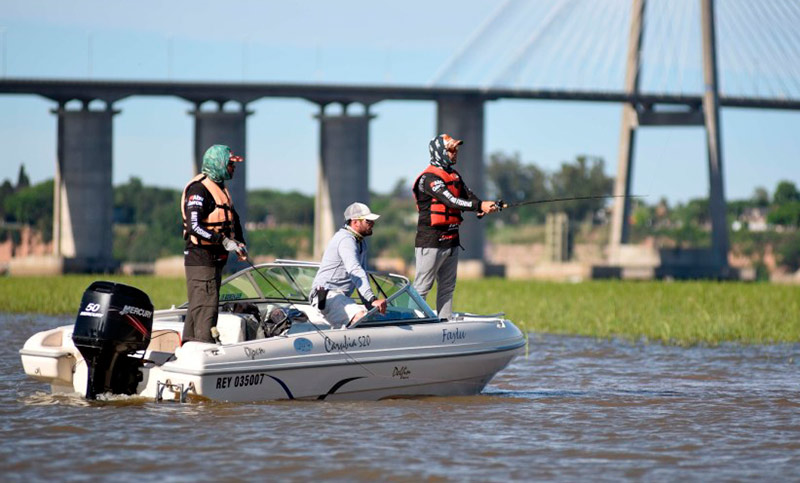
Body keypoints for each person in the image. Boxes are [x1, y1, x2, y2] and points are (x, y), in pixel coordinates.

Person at [412, 134, 499, 320]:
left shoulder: (454, 175)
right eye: (451, 149)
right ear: (439, 152)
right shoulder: (429, 179)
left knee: (447, 286)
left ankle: (445, 321)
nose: (455, 153)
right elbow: (450, 201)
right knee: (422, 287)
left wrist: (481, 205)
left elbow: (468, 195)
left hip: (451, 241)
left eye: (456, 149)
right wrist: (477, 206)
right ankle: (410, 323)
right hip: (431, 242)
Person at [181, 144, 247, 343]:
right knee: (206, 309)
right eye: (230, 164)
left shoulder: (220, 188)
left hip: (215, 259)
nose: (233, 168)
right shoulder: (199, 190)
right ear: (218, 164)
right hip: (201, 259)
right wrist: (223, 241)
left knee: (200, 307)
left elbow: (233, 219)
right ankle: (203, 350)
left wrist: (240, 243)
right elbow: (194, 226)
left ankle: (189, 346)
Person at [310, 202, 387, 328]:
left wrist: (370, 304)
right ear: (355, 222)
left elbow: (361, 277)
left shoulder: (360, 243)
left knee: (374, 319)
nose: (372, 224)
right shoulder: (346, 240)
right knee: (361, 318)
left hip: (338, 297)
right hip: (327, 295)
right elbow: (355, 270)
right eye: (368, 221)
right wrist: (372, 299)